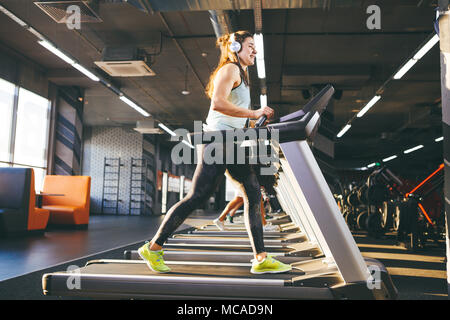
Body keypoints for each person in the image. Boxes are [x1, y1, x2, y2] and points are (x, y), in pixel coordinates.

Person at [137, 30, 291, 275]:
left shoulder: (241, 74)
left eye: (254, 46)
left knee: (252, 191)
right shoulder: (230, 69)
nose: (255, 50)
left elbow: (232, 114)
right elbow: (218, 103)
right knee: (198, 196)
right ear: (236, 47)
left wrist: (255, 122)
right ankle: (153, 248)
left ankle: (261, 258)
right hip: (218, 141)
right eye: (250, 45)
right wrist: (254, 114)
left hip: (231, 140)